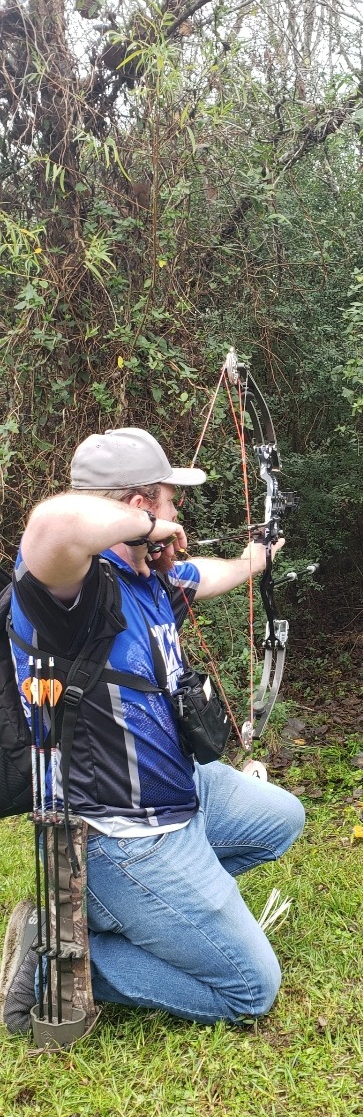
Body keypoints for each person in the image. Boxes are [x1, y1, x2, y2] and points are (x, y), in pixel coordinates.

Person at [0, 427, 305, 1033]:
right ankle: (48, 961)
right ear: (141, 507)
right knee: (251, 986)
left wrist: (259, 557)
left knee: (281, 818)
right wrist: (143, 529)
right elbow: (50, 524)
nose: (177, 513)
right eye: (170, 501)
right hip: (121, 832)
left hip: (182, 792)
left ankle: (138, 912)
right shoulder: (69, 591)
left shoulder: (150, 575)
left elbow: (212, 574)